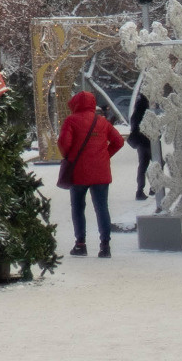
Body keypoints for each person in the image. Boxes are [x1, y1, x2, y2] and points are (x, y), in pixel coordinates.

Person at [57, 88, 125, 257]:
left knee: (78, 207)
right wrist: (104, 155)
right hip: (101, 173)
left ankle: (80, 244)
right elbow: (118, 141)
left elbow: (64, 144)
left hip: (78, 172)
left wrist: (69, 156)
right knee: (102, 207)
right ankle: (105, 246)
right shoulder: (102, 122)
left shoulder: (71, 121)